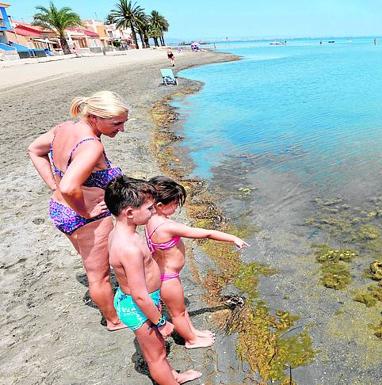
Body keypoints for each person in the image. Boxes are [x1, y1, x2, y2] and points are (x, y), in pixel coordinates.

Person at [28, 91, 128, 331]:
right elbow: (70, 186)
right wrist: (86, 212)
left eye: (124, 122)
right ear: (94, 117)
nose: (122, 129)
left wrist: (53, 185)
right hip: (84, 217)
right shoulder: (91, 146)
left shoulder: (63, 128)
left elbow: (34, 150)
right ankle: (114, 321)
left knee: (92, 265)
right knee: (98, 274)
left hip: (59, 209)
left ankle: (111, 308)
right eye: (116, 123)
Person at [105, 176, 202, 385]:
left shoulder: (122, 232)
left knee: (158, 350)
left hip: (139, 300)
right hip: (139, 306)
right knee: (156, 356)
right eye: (149, 208)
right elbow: (139, 295)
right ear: (130, 213)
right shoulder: (128, 248)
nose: (152, 212)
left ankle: (173, 376)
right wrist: (161, 322)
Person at [147, 176, 249, 348]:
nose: (177, 207)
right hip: (167, 278)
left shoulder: (150, 219)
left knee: (180, 309)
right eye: (174, 203)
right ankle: (191, 340)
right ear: (160, 205)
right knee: (177, 313)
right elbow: (207, 233)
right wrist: (233, 238)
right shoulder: (168, 227)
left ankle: (192, 331)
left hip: (165, 273)